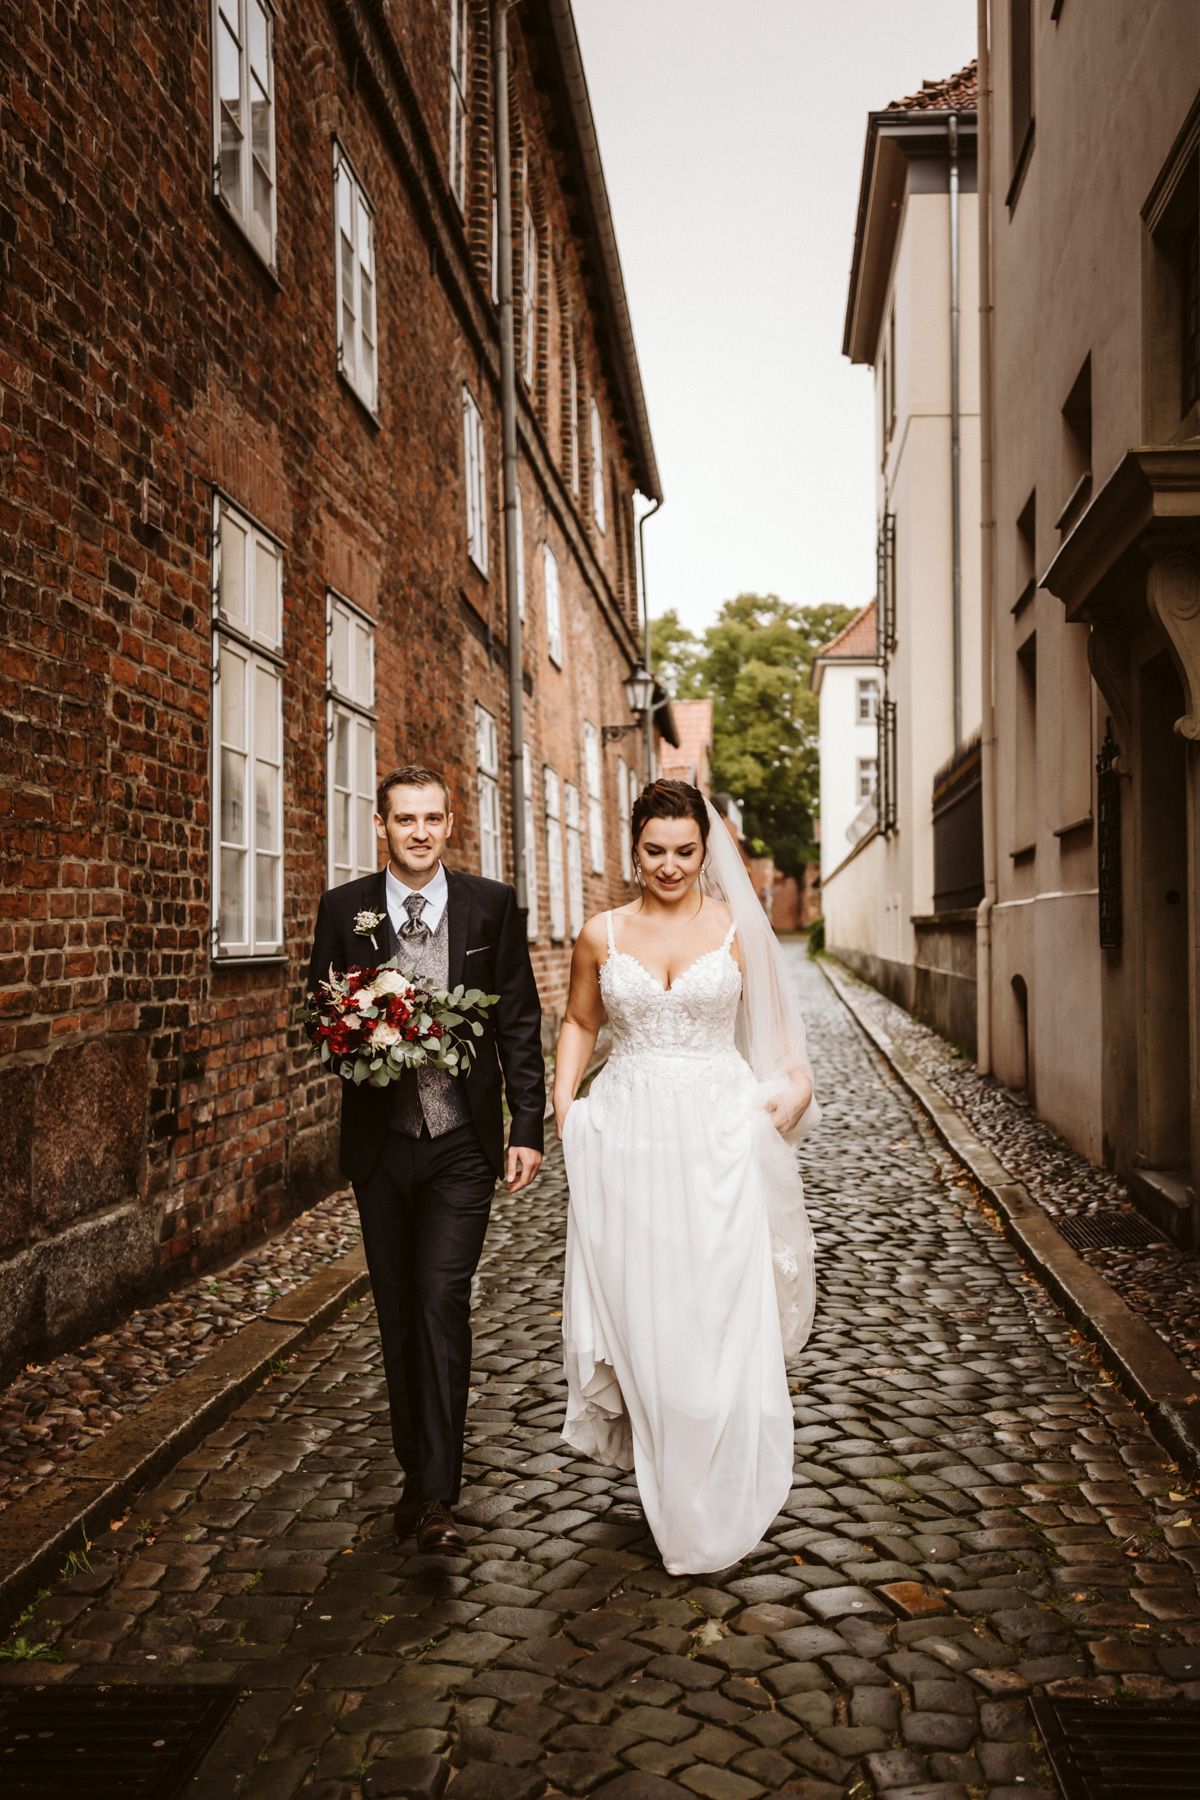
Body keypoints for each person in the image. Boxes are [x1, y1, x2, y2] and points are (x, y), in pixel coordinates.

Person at [554, 778, 818, 1575]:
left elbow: (784, 1046)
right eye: (654, 851)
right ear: (633, 848)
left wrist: (792, 1093)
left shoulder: (738, 928)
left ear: (708, 851)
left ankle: (712, 1482)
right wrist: (567, 1106)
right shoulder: (602, 933)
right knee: (647, 1312)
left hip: (719, 1140)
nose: (669, 867)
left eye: (685, 852)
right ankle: (667, 1474)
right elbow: (579, 1021)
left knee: (716, 1310)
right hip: (628, 1140)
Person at [307, 766, 545, 1554]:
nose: (418, 831)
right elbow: (321, 1014)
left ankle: (440, 1495)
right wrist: (359, 1028)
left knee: (442, 1300)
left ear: (450, 824)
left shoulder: (491, 906)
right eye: (404, 819)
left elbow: (517, 1019)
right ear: (381, 825)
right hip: (382, 1149)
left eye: (432, 818)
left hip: (460, 1148)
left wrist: (527, 1126)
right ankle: (415, 1476)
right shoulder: (345, 910)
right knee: (398, 1312)